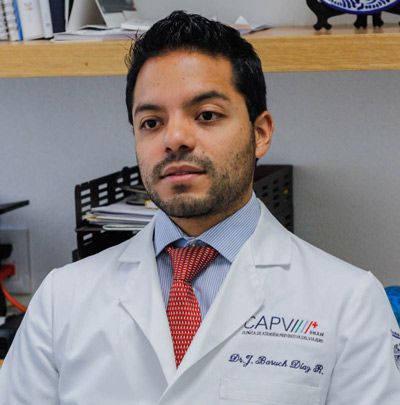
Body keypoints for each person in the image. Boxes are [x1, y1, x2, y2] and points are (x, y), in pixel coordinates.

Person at [1, 10, 399, 405]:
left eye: (206, 115)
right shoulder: (61, 300)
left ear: (260, 133)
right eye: (151, 122)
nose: (174, 138)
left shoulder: (349, 303)